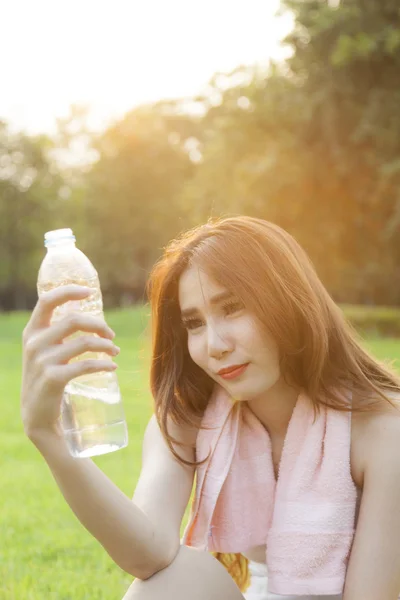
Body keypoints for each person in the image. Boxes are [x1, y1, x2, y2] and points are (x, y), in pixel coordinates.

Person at [20, 215, 400, 600]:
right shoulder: (193, 420)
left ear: (288, 301)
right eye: (194, 323)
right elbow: (148, 554)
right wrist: (48, 436)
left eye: (232, 308)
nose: (214, 344)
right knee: (181, 576)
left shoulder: (383, 430)